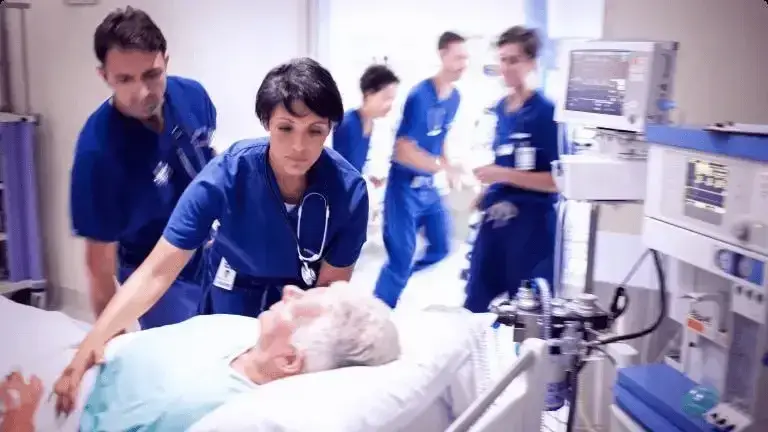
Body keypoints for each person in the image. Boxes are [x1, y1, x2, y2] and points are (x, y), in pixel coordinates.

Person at [53, 57, 369, 410]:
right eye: (286, 128)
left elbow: (329, 292)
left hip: (297, 308)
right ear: (267, 123)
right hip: (231, 293)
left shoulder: (348, 191)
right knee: (215, 390)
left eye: (315, 131)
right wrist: (93, 341)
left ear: (329, 130)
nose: (299, 146)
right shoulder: (230, 173)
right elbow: (158, 269)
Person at [29, 285, 398, 430]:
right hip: (76, 355)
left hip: (51, 408)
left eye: (298, 303)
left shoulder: (200, 410)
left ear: (289, 360)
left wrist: (20, 419)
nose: (289, 289)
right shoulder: (243, 330)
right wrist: (85, 350)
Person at [70, 7, 217, 329]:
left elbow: (208, 157)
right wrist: (113, 343)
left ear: (166, 61)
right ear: (104, 76)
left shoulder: (193, 96)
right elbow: (99, 269)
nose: (142, 92)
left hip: (210, 251)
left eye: (152, 74)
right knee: (180, 351)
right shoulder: (98, 153)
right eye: (125, 79)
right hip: (154, 272)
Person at [463, 26, 559, 313]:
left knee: (529, 314)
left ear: (532, 63)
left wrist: (502, 175)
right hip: (496, 221)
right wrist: (485, 191)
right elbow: (503, 160)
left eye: (514, 60)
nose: (506, 67)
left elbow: (555, 181)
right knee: (477, 305)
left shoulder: (546, 112)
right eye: (502, 60)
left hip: (531, 228)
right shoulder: (500, 110)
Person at [374, 32, 468, 308]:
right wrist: (443, 167)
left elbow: (440, 136)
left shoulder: (455, 98)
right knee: (401, 256)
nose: (463, 64)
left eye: (466, 58)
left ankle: (401, 276)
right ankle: (379, 309)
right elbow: (403, 150)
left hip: (428, 186)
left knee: (442, 246)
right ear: (443, 55)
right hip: (403, 187)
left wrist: (448, 166)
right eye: (458, 57)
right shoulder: (420, 95)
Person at [332, 64, 400, 182]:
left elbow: (355, 165)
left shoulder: (370, 123)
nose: (390, 105)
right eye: (386, 98)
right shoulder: (347, 124)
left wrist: (370, 178)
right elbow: (338, 171)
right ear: (368, 94)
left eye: (392, 99)